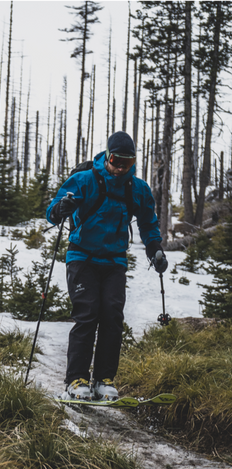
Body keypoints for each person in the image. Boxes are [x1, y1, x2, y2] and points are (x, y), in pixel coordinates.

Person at [46, 131, 168, 402]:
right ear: (107, 155)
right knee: (87, 313)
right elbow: (52, 211)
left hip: (114, 261)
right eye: (117, 160)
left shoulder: (137, 188)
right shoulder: (83, 180)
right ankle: (75, 380)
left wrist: (155, 250)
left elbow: (148, 222)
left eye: (128, 161)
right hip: (82, 258)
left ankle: (103, 381)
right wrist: (61, 208)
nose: (121, 167)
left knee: (112, 317)